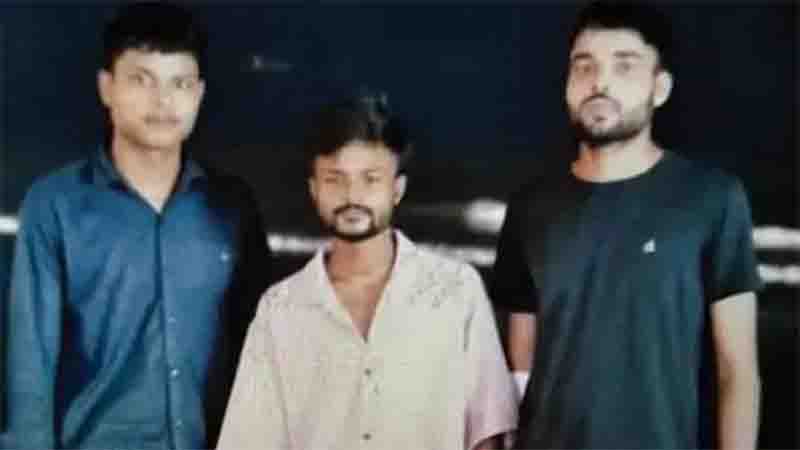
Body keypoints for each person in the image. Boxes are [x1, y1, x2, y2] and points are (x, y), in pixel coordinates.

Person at [491, 2, 762, 449]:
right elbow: (520, 364)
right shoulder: (531, 207)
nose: (599, 82)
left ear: (660, 88)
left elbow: (737, 372)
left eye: (624, 66)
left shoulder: (711, 199)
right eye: (584, 67)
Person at [3, 3, 271, 448]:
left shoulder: (232, 206)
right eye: (142, 80)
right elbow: (30, 373)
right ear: (106, 87)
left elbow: (265, 355)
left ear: (199, 94)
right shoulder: (55, 206)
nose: (163, 101)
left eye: (180, 83)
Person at [217, 93, 517, 450]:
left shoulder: (456, 291)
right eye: (334, 179)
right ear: (314, 189)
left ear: (397, 189)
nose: (352, 196)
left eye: (370, 179)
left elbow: (488, 433)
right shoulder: (280, 310)